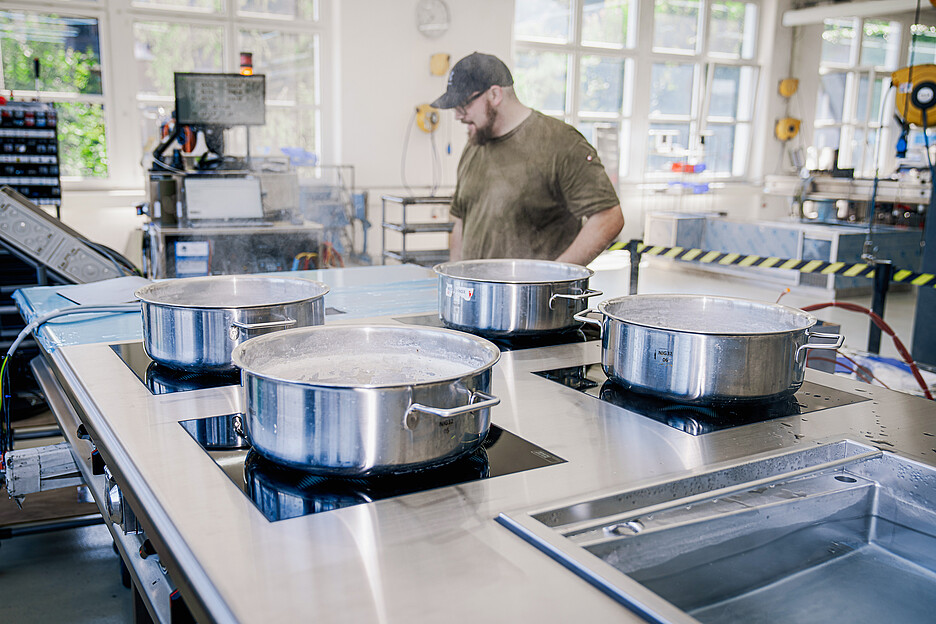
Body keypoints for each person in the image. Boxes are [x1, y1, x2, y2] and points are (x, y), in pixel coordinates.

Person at [432, 52, 623, 266]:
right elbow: (459, 221)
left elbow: (608, 218)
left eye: (463, 105)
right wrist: (455, 277)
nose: (458, 115)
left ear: (494, 95)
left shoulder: (561, 143)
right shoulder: (475, 145)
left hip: (537, 298)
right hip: (478, 294)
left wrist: (553, 277)